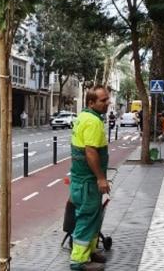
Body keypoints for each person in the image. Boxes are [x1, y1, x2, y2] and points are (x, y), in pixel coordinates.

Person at [69, 85, 110, 271]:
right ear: (91, 102)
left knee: (94, 217)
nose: (107, 103)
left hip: (82, 180)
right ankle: (78, 262)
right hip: (88, 181)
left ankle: (91, 252)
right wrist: (101, 178)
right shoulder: (93, 121)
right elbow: (91, 152)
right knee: (86, 219)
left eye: (107, 99)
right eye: (103, 100)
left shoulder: (84, 117)